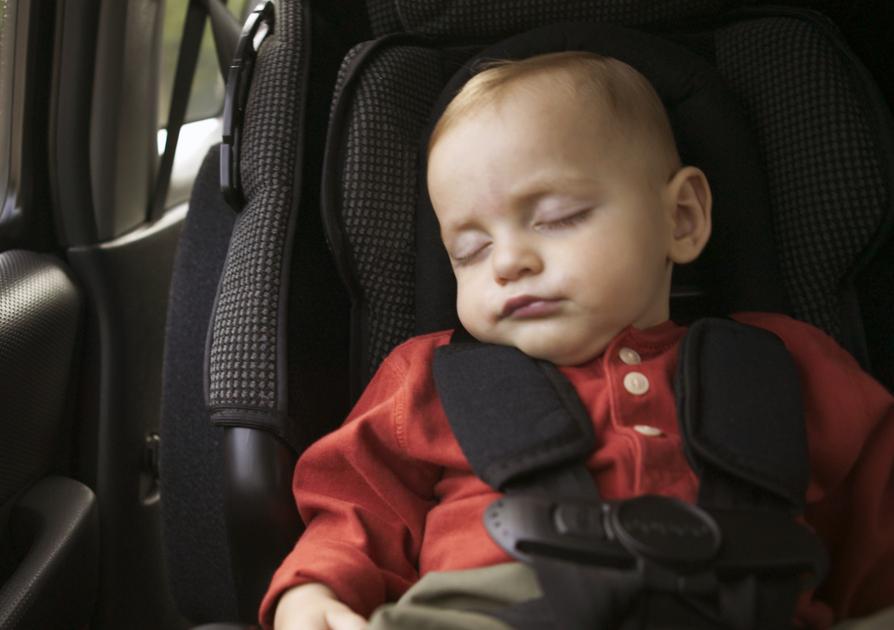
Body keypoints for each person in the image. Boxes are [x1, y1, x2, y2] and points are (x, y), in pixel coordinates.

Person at [261, 51, 894, 630]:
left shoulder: (789, 364)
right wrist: (314, 590)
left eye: (558, 218)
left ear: (681, 218)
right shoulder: (428, 378)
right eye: (471, 250)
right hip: (489, 611)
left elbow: (876, 533)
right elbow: (357, 511)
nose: (507, 262)